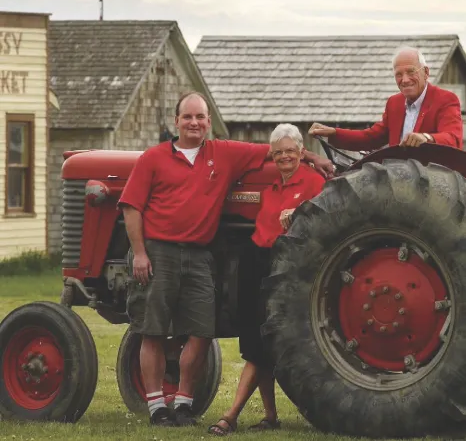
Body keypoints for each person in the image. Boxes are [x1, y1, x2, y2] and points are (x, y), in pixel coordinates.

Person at [117, 91, 334, 428]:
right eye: (187, 117)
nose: (194, 123)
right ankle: (158, 406)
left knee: (203, 331)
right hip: (160, 251)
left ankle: (185, 404)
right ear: (177, 121)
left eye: (200, 117)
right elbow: (131, 205)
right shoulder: (153, 158)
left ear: (208, 122)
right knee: (153, 329)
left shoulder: (223, 152)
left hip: (200, 253)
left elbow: (277, 149)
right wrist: (140, 253)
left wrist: (311, 157)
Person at [207, 123, 326, 436]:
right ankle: (270, 416)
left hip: (283, 268)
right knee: (254, 343)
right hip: (255, 262)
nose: (285, 157)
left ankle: (230, 415)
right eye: (279, 152)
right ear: (273, 156)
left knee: (263, 345)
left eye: (291, 151)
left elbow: (323, 216)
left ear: (302, 153)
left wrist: (299, 210)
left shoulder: (314, 183)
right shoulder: (271, 184)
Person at [309, 45, 463, 150]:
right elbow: (371, 137)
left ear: (426, 73)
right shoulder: (394, 103)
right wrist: (335, 133)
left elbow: (453, 138)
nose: (405, 80)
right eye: (399, 75)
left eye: (411, 72)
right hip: (396, 179)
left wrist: (426, 138)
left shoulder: (446, 99)